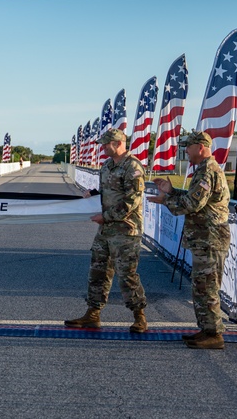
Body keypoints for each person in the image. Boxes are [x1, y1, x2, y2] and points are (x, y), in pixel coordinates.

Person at [148, 131, 231, 349]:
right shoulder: (204, 171)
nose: (186, 150)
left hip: (210, 240)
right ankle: (206, 329)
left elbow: (191, 205)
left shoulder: (207, 172)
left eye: (188, 146)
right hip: (204, 240)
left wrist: (166, 199)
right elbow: (191, 199)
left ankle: (214, 334)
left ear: (200, 147)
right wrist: (172, 192)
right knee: (201, 286)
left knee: (208, 287)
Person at [65, 128, 148, 334]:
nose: (102, 148)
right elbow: (107, 192)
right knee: (98, 271)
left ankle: (140, 316)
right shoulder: (107, 165)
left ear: (118, 143)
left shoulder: (133, 167)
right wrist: (93, 195)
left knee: (126, 274)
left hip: (126, 230)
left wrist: (107, 216)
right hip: (106, 230)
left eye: (105, 144)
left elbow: (131, 201)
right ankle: (93, 314)